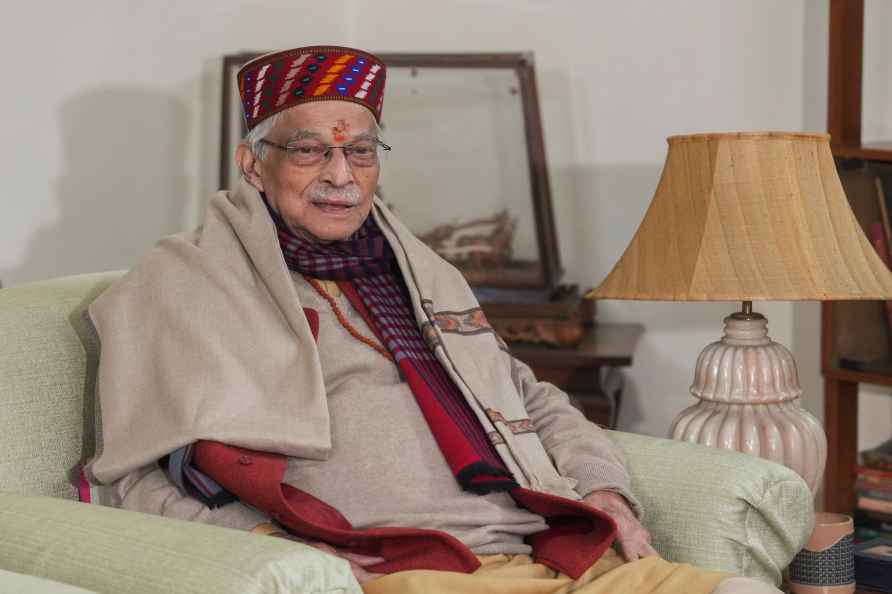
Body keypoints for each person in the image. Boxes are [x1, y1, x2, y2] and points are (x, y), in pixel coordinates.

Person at [84, 45, 779, 594]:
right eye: (309, 150)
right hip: (400, 567)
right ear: (252, 164)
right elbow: (133, 478)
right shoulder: (182, 282)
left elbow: (527, 397)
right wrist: (278, 553)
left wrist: (605, 490)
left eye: (359, 150)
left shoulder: (418, 271)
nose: (341, 175)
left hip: (547, 549)